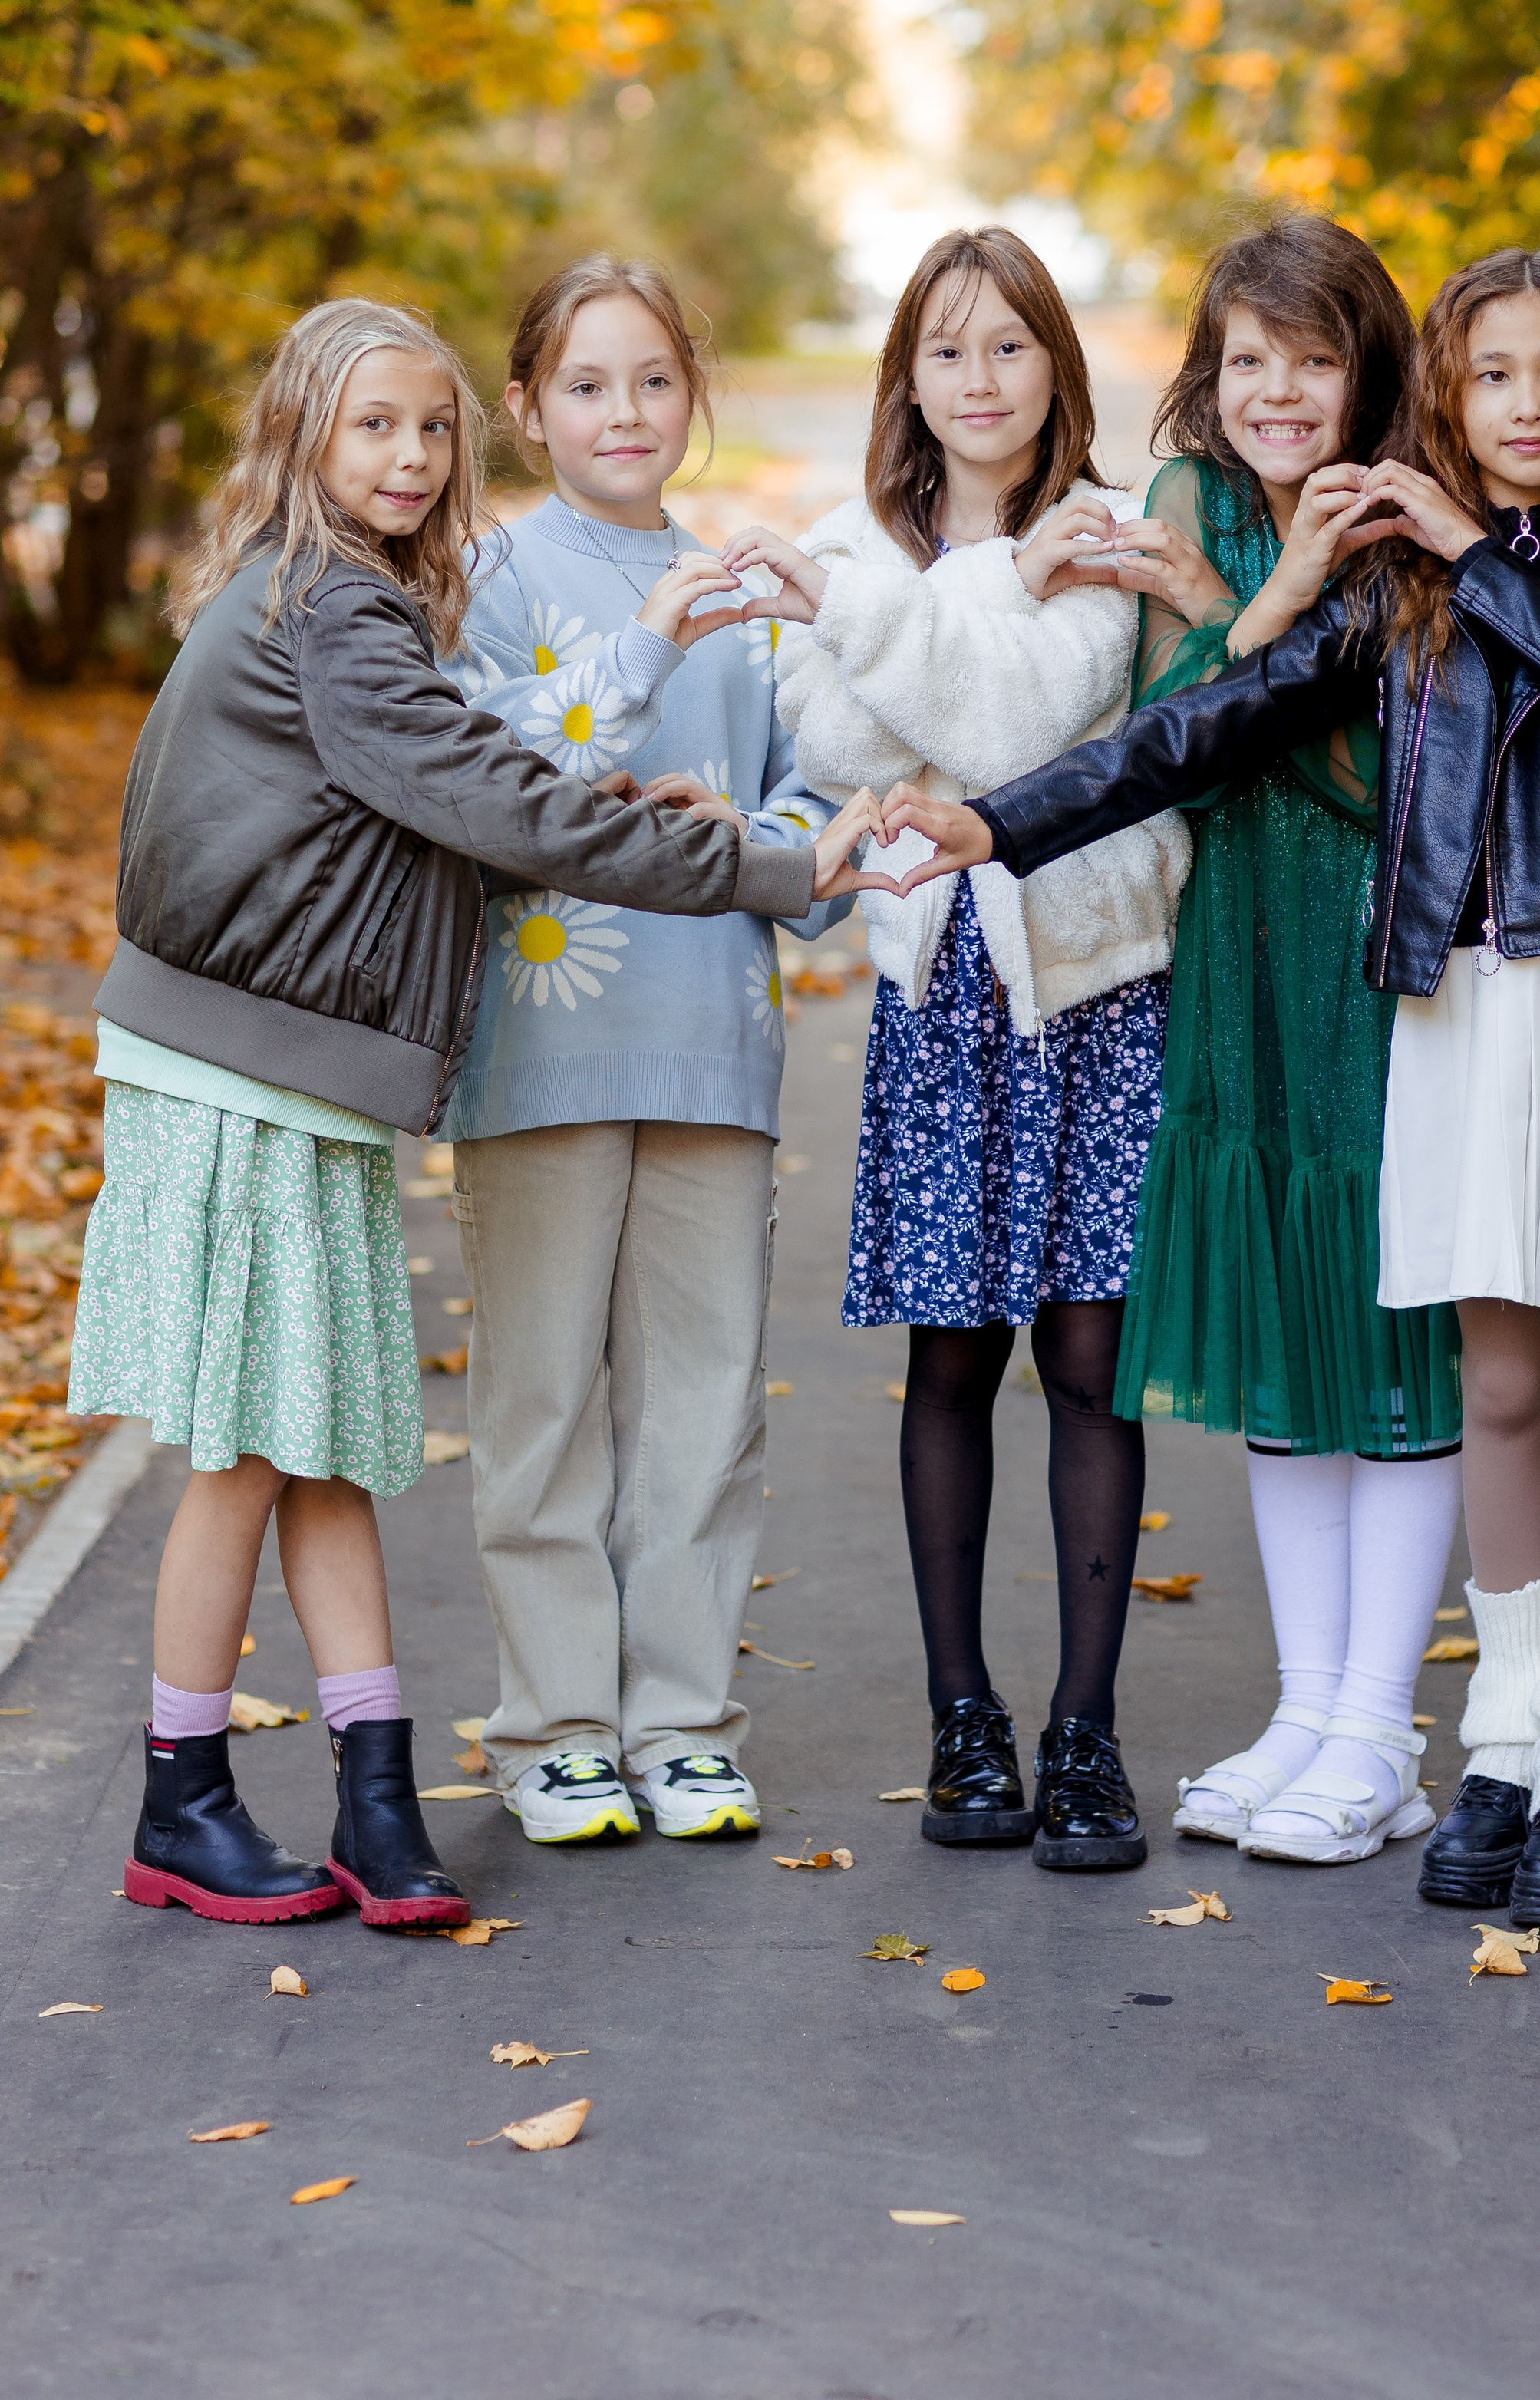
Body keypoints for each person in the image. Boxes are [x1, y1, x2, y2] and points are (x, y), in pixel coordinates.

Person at [876, 246, 1540, 1933]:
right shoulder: (1390, 586)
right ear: (1449, 395)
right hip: (1469, 1011)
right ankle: (1497, 1745)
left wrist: (1456, 543)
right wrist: (1002, 821)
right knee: (1495, 1386)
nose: (1522, 408)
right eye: (1489, 378)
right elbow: (1216, 722)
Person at [69, 296, 876, 1930]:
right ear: (301, 431)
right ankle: (181, 1795)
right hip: (242, 1068)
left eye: (430, 428)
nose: (411, 456)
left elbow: (499, 789)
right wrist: (768, 866)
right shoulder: (336, 616)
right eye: (375, 424)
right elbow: (502, 801)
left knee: (324, 1444)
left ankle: (376, 1792)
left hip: (294, 1074)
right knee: (246, 1447)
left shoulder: (346, 600)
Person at [727, 225, 1189, 1872]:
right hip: (941, 1001)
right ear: (904, 375)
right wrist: (893, 611)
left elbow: (1004, 732)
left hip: (1093, 986)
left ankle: (1084, 1734)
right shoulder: (859, 540)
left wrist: (882, 613)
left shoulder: (1102, 532)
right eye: (945, 350)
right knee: (950, 1358)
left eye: (1007, 347)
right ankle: (960, 1723)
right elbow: (830, 736)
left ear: (1054, 367)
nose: (977, 379)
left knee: (1085, 1361)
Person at [444, 254, 852, 1850]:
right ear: (526, 410)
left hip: (709, 1042)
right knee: (541, 1404)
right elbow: (474, 790)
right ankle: (552, 1727)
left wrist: (748, 831)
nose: (627, 413)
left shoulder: (754, 596)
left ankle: (681, 1723)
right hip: (539, 1050)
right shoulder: (481, 581)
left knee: (700, 1407)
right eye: (589, 385)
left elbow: (827, 815)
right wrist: (636, 657)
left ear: (695, 396)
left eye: (655, 381)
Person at [1067, 216, 1463, 1868]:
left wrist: (1253, 605)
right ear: (1205, 375)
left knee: (1390, 1335)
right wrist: (1264, 587)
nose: (1277, 391)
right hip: (1235, 961)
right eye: (1245, 361)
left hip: (1380, 966)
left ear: (1366, 369)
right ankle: (1309, 1708)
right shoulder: (1186, 499)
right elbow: (1174, 751)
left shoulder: (1412, 520)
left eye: (1311, 359)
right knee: (1285, 1356)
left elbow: (1376, 766)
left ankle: (1382, 1730)